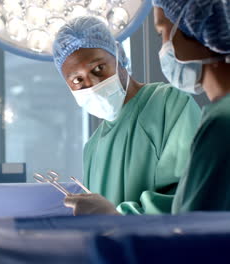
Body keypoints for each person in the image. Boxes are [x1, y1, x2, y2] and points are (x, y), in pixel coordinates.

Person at [53, 16, 201, 215]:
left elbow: (191, 195)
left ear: (119, 56)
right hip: (117, 247)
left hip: (169, 245)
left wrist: (117, 217)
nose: (93, 84)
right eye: (78, 80)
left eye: (99, 68)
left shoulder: (168, 103)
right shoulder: (93, 147)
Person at [153, 0, 230, 213]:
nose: (162, 48)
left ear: (189, 28)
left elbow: (193, 235)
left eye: (161, 34)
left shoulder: (222, 123)